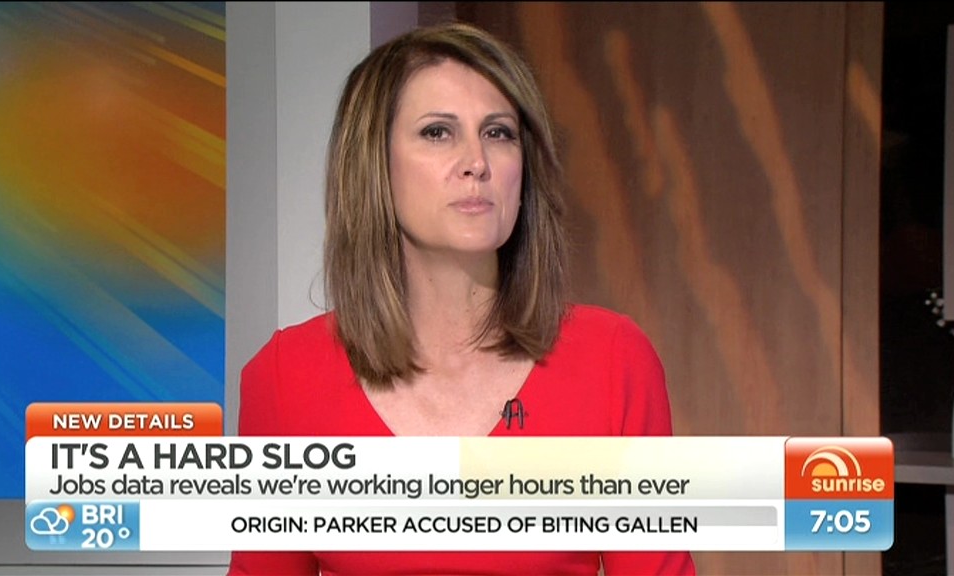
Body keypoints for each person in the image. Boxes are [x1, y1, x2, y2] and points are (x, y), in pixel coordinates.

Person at [228, 21, 695, 576]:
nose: (477, 161)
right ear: (374, 165)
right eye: (437, 132)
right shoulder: (284, 378)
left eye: (498, 133)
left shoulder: (614, 360)